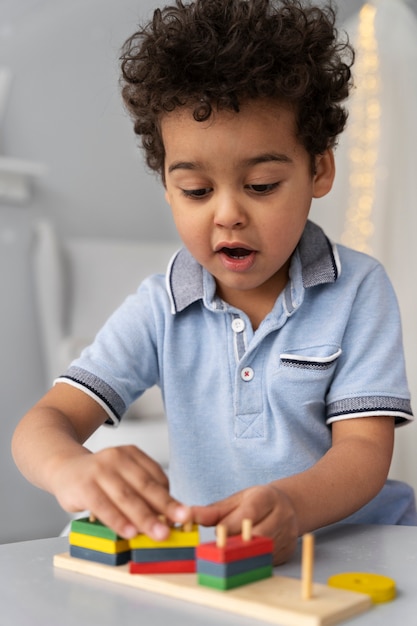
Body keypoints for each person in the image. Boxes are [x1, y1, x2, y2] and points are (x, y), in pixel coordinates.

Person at [12, 0, 415, 565]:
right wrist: (73, 469)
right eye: (197, 191)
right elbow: (42, 424)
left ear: (319, 170)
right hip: (219, 559)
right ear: (168, 185)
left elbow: (366, 453)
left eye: (262, 184)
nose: (227, 214)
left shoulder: (357, 290)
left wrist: (291, 506)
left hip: (353, 548)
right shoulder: (159, 309)